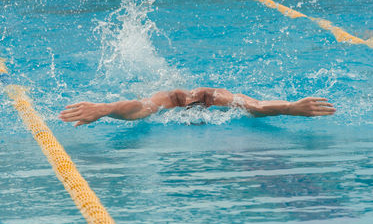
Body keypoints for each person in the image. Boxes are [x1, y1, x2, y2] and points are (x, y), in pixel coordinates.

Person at [59, 87, 336, 127]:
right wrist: (105, 108)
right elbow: (137, 108)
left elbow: (258, 105)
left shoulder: (217, 97)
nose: (194, 104)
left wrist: (290, 107)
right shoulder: (169, 99)